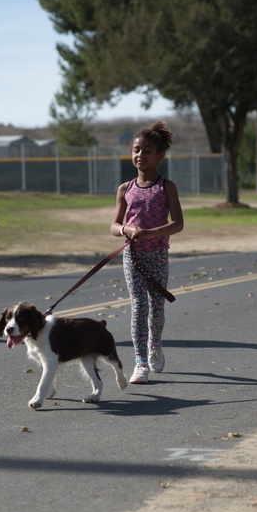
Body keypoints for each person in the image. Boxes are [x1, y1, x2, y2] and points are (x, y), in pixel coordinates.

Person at [110, 121, 184, 385]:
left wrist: (151, 233)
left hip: (157, 256)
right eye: (136, 150)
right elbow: (114, 225)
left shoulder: (167, 187)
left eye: (147, 151)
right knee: (139, 306)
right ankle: (140, 362)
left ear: (160, 156)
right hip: (132, 256)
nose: (140, 155)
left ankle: (155, 343)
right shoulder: (124, 189)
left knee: (157, 308)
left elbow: (178, 223)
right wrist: (126, 230)